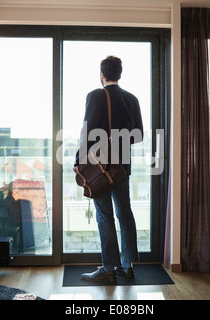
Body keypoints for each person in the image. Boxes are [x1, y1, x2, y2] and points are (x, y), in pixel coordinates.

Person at [74, 56, 144, 283]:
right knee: (125, 213)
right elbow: (139, 134)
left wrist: (78, 161)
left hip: (101, 168)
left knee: (105, 216)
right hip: (122, 167)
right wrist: (119, 141)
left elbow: (87, 132)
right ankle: (128, 265)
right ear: (119, 74)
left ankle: (108, 269)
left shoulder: (95, 95)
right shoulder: (132, 99)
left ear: (102, 74)